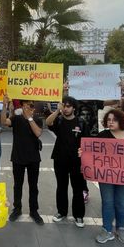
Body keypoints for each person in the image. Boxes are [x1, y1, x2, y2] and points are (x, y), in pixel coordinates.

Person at [80, 109, 124, 244]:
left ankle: (121, 228)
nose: (111, 122)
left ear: (121, 121)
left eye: (114, 120)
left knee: (122, 204)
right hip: (106, 177)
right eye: (109, 120)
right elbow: (91, 152)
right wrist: (83, 152)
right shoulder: (102, 135)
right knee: (108, 202)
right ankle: (107, 230)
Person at [2, 95, 45, 225]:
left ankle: (34, 210)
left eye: (31, 105)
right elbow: (4, 122)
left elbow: (38, 133)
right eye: (25, 104)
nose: (28, 107)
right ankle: (17, 208)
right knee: (17, 185)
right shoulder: (16, 118)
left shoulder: (36, 118)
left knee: (33, 186)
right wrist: (4, 106)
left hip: (33, 158)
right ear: (21, 105)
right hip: (18, 157)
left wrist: (30, 117)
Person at [45, 96, 85, 228]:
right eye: (65, 106)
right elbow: (48, 122)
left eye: (69, 106)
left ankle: (79, 215)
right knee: (61, 186)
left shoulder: (81, 122)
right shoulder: (59, 120)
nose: (66, 108)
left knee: (77, 188)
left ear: (74, 108)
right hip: (60, 159)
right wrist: (57, 111)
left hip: (77, 161)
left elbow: (88, 142)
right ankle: (61, 212)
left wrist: (84, 154)